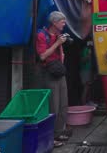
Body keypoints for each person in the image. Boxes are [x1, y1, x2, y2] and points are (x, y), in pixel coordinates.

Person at [36, 11, 70, 148]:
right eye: (62, 21)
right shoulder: (41, 35)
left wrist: (61, 48)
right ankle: (50, 137)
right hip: (49, 73)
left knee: (63, 105)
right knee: (53, 106)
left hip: (59, 72)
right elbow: (42, 56)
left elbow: (60, 53)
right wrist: (57, 44)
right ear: (54, 23)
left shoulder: (58, 36)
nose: (64, 23)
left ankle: (59, 132)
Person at [80, 40, 95, 105]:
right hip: (85, 70)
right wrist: (88, 55)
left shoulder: (89, 50)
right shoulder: (85, 49)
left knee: (89, 87)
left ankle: (88, 102)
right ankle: (83, 103)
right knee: (86, 87)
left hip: (89, 70)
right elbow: (83, 60)